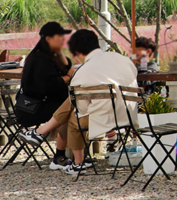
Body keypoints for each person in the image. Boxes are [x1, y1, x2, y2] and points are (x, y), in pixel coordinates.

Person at [19, 29, 138, 175]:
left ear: (78, 51)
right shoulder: (122, 59)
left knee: (73, 117)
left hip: (104, 119)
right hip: (129, 114)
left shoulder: (84, 71)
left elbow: (81, 108)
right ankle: (41, 133)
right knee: (73, 103)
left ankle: (76, 162)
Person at [14, 22, 74, 167]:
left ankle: (64, 153)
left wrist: (60, 54)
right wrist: (69, 77)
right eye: (59, 36)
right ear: (48, 38)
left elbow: (67, 68)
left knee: (70, 106)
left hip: (44, 103)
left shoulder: (50, 56)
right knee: (69, 110)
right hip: (32, 108)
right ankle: (60, 156)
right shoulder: (40, 58)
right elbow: (49, 86)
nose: (62, 39)